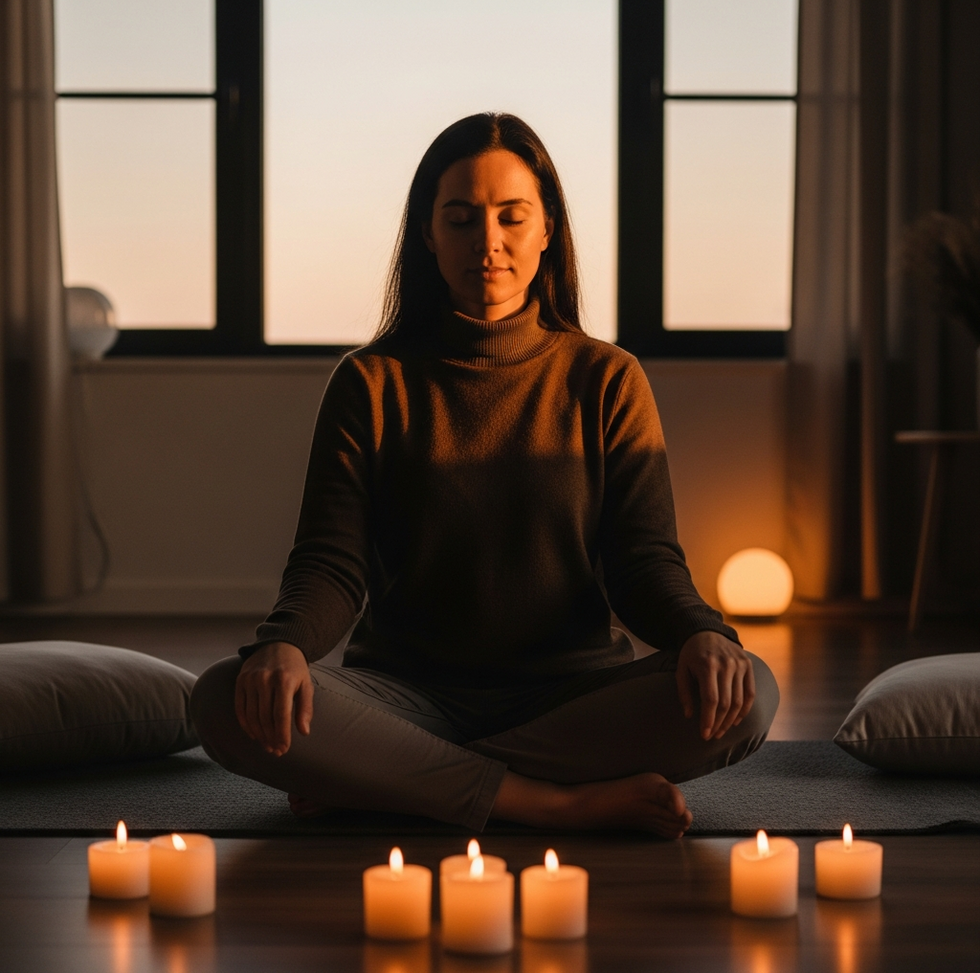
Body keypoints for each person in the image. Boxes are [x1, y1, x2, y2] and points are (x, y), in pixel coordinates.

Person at [191, 113, 778, 839]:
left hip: (570, 699)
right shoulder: (370, 383)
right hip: (405, 697)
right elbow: (330, 564)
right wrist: (283, 644)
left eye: (512, 216)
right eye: (462, 219)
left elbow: (643, 560)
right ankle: (548, 802)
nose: (488, 241)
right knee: (225, 697)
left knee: (750, 692)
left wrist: (701, 632)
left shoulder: (607, 379)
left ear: (547, 229)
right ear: (428, 235)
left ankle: (391, 781)